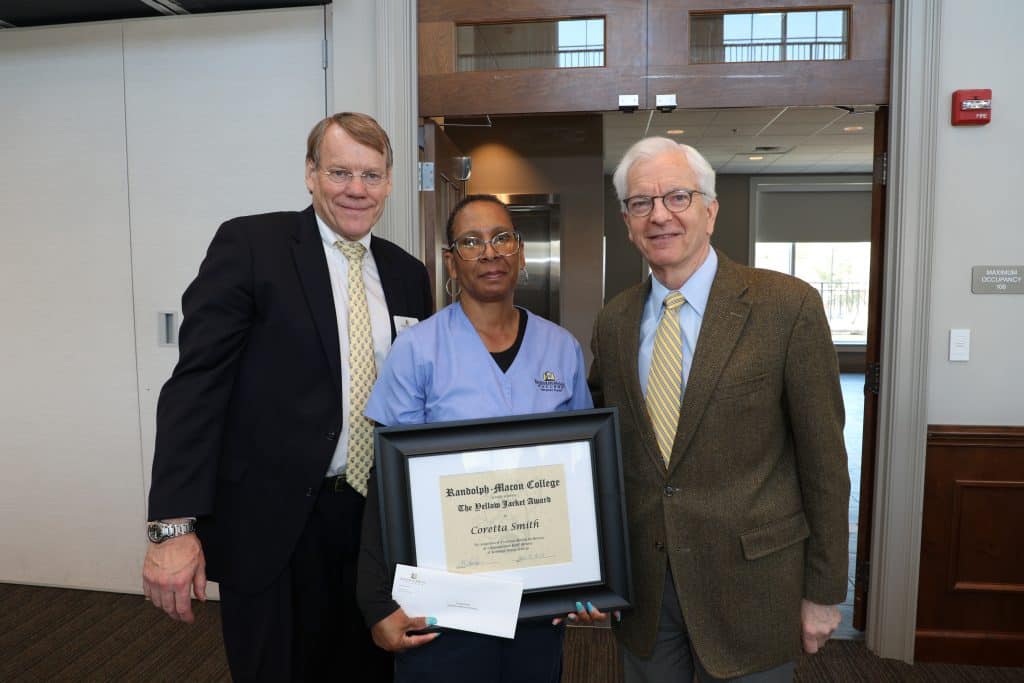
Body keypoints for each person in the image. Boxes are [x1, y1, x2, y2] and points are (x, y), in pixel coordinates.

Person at [142, 112, 432, 681]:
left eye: (371, 175)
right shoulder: (252, 245)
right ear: (309, 173)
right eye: (340, 172)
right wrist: (171, 527)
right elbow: (197, 387)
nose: (356, 189)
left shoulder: (408, 273)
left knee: (369, 670)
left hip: (375, 523)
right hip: (274, 528)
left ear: (390, 181)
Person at [589, 137, 850, 682]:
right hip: (645, 591)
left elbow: (824, 461)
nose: (659, 215)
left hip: (752, 587)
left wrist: (824, 593)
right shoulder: (613, 322)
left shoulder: (786, 306)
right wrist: (596, 571)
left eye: (677, 197)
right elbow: (604, 454)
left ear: (710, 209)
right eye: (642, 203)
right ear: (627, 220)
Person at [355, 194, 604, 683]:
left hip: (535, 592)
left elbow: (581, 478)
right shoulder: (416, 351)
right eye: (470, 242)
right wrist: (374, 602)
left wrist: (595, 579)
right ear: (451, 261)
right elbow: (385, 481)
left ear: (521, 252)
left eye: (501, 238)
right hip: (441, 599)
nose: (489, 253)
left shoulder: (562, 348)